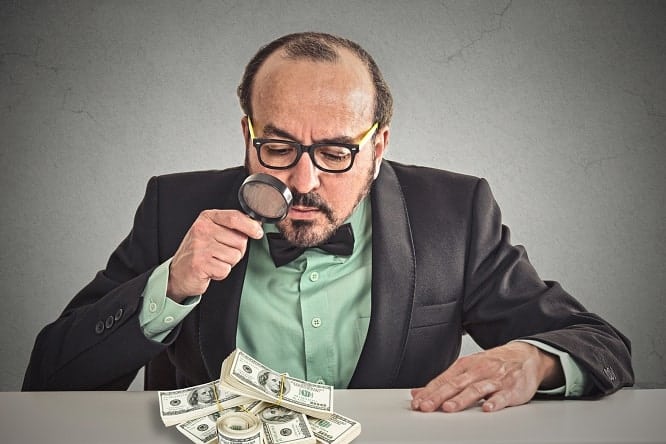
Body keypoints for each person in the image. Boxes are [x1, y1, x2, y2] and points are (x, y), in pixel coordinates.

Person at [22, 32, 633, 414]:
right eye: (279, 147)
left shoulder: (456, 214)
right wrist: (169, 286)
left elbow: (602, 346)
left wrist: (532, 361)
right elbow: (49, 382)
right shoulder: (173, 207)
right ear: (248, 135)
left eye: (337, 152)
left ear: (379, 145)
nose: (303, 183)